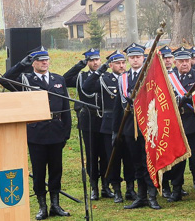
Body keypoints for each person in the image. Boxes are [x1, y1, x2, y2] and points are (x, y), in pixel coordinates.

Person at [0, 47, 72, 221]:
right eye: (40, 60)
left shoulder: (58, 79)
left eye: (46, 59)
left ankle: (55, 204)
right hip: (36, 133)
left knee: (56, 170)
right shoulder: (25, 79)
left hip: (55, 131)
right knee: (39, 172)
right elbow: (4, 80)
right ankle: (42, 206)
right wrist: (20, 65)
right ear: (33, 63)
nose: (44, 62)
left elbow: (66, 108)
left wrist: (66, 132)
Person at [116, 43, 162, 210]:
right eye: (132, 57)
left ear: (143, 58)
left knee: (148, 160)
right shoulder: (123, 78)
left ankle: (152, 196)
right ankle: (141, 196)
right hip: (130, 127)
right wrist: (116, 131)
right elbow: (117, 107)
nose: (135, 60)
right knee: (136, 162)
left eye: (138, 57)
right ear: (128, 59)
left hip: (148, 126)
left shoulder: (151, 76)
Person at [165, 47, 195, 201]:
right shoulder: (168, 77)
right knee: (177, 159)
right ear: (175, 62)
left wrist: (191, 100)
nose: (184, 64)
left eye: (187, 61)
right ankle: (176, 190)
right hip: (176, 124)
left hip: (194, 123)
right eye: (180, 61)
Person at [82, 50, 129, 203]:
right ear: (110, 65)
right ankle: (116, 190)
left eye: (123, 63)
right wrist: (100, 70)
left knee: (130, 157)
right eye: (117, 63)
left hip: (128, 122)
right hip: (109, 123)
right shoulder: (104, 79)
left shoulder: (129, 78)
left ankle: (130, 188)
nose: (121, 66)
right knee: (112, 158)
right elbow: (87, 87)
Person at [64, 49, 108, 199]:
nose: (95, 63)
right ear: (87, 62)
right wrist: (79, 65)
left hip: (104, 119)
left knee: (106, 154)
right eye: (91, 60)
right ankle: (94, 185)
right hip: (89, 119)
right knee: (92, 154)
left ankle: (105, 185)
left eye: (97, 60)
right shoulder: (81, 77)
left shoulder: (106, 75)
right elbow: (65, 78)